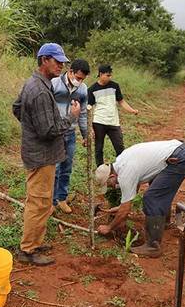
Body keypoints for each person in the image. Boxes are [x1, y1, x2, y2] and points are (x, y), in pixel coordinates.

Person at [12, 43, 81, 266]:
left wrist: (30, 127)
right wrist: (71, 118)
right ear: (44, 60)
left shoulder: (34, 83)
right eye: (57, 61)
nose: (61, 65)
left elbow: (16, 107)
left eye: (62, 61)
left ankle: (35, 243)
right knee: (39, 203)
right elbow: (48, 130)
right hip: (41, 156)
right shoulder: (41, 90)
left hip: (38, 153)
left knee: (40, 200)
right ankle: (28, 250)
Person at [94, 140, 185, 258]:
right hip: (179, 152)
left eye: (109, 184)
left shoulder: (125, 174)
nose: (112, 186)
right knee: (157, 187)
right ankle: (163, 223)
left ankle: (153, 246)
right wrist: (121, 206)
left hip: (180, 159)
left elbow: (125, 211)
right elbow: (134, 184)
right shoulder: (121, 161)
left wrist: (109, 228)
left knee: (152, 197)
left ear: (112, 176)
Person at [51, 59, 90, 214]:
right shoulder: (54, 83)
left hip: (71, 133)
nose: (79, 81)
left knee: (67, 168)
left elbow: (83, 114)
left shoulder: (83, 89)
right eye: (78, 78)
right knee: (55, 168)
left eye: (82, 79)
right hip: (56, 133)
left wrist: (86, 135)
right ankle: (51, 202)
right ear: (71, 71)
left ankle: (62, 198)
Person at [88, 64, 139, 167]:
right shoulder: (92, 89)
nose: (109, 77)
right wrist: (90, 127)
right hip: (98, 122)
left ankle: (121, 168)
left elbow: (121, 102)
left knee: (119, 147)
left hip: (113, 122)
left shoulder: (114, 86)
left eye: (110, 75)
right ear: (101, 74)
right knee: (98, 148)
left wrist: (132, 110)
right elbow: (89, 107)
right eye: (107, 75)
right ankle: (100, 169)